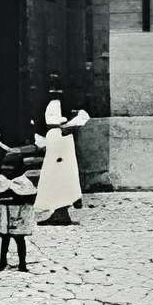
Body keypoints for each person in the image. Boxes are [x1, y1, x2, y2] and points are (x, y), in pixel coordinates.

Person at [33, 84, 89, 225]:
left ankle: (62, 211)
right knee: (52, 173)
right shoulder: (43, 102)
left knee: (64, 172)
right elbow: (39, 122)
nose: (54, 91)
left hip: (63, 139)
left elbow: (83, 116)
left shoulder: (68, 103)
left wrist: (69, 126)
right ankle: (58, 210)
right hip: (53, 137)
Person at [0, 150, 36, 271]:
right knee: (4, 238)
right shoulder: (0, 180)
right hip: (4, 211)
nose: (8, 172)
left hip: (18, 213)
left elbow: (30, 198)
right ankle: (2, 262)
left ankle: (22, 264)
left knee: (19, 239)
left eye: (11, 169)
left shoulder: (23, 182)